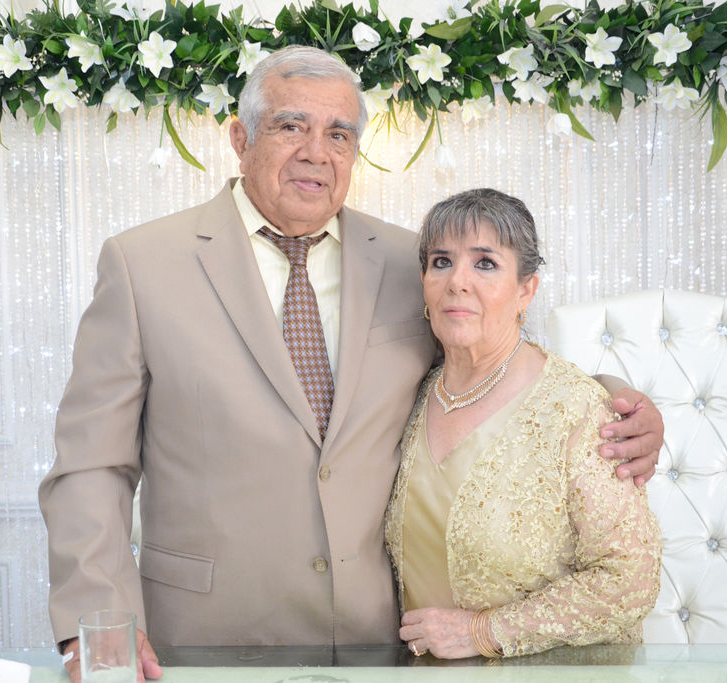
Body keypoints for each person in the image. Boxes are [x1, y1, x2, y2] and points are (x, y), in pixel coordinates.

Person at [38, 46, 663, 683]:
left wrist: (617, 402)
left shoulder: (410, 261)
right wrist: (97, 626)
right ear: (240, 138)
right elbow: (92, 464)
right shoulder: (143, 265)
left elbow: (490, 360)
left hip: (378, 644)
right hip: (206, 639)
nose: (317, 152)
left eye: (339, 134)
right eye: (291, 126)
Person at [386, 188, 661, 660]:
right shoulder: (410, 394)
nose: (457, 282)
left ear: (525, 290)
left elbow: (630, 579)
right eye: (441, 261)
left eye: (485, 263)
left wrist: (484, 632)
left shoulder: (580, 411)